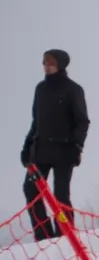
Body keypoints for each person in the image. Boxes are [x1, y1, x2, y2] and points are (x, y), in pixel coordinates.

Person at [20, 49, 89, 240]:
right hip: (39, 151)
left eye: (50, 63)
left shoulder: (73, 89)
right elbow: (36, 121)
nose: (46, 66)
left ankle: (64, 235)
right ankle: (43, 236)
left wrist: (77, 146)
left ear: (60, 65)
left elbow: (82, 121)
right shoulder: (40, 89)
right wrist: (27, 147)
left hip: (63, 151)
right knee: (30, 190)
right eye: (44, 62)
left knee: (60, 195)